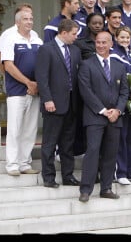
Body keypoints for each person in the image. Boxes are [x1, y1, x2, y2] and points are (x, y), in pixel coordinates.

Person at [77, 31, 129, 202]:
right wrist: (103, 110)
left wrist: (118, 110)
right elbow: (85, 90)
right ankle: (86, 190)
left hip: (115, 118)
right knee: (92, 152)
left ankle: (106, 188)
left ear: (111, 44)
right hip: (95, 117)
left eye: (104, 42)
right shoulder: (86, 64)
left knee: (110, 153)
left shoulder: (119, 66)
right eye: (98, 42)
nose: (100, 45)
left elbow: (124, 92)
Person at [36, 19, 82, 188]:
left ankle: (68, 176)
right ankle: (48, 177)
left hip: (71, 104)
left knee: (67, 143)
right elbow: (42, 77)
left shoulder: (75, 51)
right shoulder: (46, 49)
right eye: (73, 34)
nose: (75, 37)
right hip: (53, 104)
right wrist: (47, 99)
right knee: (50, 142)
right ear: (63, 32)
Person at [0, 9, 43, 176]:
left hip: (35, 91)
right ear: (17, 22)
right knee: (15, 128)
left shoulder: (37, 39)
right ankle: (12, 164)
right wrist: (28, 82)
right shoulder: (10, 38)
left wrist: (37, 84)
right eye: (25, 19)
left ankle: (25, 163)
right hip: (17, 90)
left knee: (30, 129)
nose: (29, 22)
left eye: (31, 18)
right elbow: (8, 65)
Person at [110, 26, 131, 185]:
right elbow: (116, 82)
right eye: (122, 37)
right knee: (121, 139)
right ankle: (120, 172)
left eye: (127, 37)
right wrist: (130, 95)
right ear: (116, 38)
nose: (124, 40)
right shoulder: (113, 55)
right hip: (121, 102)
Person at [0, 3, 39, 74]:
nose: (28, 17)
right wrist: (7, 77)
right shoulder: (7, 34)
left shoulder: (35, 35)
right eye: (25, 14)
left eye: (30, 14)